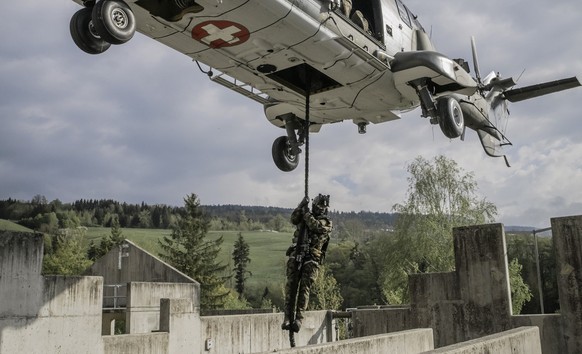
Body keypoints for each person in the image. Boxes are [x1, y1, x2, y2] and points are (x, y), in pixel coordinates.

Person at [282, 194, 333, 332]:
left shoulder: (326, 222)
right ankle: (287, 316)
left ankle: (299, 318)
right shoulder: (305, 215)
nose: (320, 209)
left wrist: (306, 215)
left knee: (304, 287)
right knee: (291, 285)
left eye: (323, 207)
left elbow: (316, 226)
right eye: (318, 206)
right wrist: (300, 206)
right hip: (297, 253)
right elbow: (293, 219)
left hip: (311, 258)